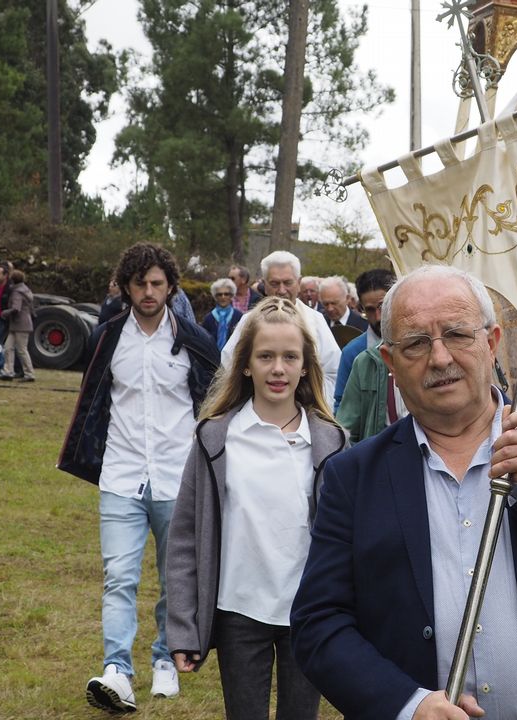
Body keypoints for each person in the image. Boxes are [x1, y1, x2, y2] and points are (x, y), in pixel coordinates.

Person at [291, 265, 517, 720]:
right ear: (390, 362)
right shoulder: (354, 477)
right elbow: (319, 624)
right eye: (416, 343)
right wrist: (407, 704)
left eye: (458, 334)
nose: (440, 358)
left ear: (492, 342)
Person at [58, 243, 220, 714]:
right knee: (118, 578)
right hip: (121, 476)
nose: (148, 292)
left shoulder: (194, 339)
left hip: (177, 477)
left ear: (170, 286)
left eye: (156, 283)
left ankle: (166, 658)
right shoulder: (107, 337)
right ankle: (117, 669)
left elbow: (215, 403)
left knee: (175, 579)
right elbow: (92, 402)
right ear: (126, 288)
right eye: (139, 283)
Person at [166, 296, 347, 720]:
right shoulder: (215, 438)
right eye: (265, 356)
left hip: (307, 612)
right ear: (245, 364)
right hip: (238, 610)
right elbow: (185, 536)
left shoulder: (330, 441)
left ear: (306, 366)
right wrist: (183, 627)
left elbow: (346, 539)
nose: (278, 368)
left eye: (290, 357)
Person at [222, 251, 340, 402]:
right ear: (264, 284)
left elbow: (332, 372)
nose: (282, 290)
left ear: (299, 282)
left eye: (288, 283)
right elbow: (229, 367)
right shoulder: (248, 321)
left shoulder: (316, 321)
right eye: (274, 284)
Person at [332, 268, 395, 412]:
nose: (378, 317)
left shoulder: (416, 344)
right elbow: (342, 407)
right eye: (370, 310)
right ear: (361, 308)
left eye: (383, 306)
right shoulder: (352, 353)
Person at [0, 269, 36, 382]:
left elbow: (16, 308)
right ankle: (8, 371)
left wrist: (5, 313)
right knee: (8, 347)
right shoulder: (26, 290)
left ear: (12, 280)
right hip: (20, 324)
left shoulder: (17, 292)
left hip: (20, 324)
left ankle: (29, 374)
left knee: (21, 349)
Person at [202, 278, 244, 351]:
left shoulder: (239, 316)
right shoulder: (209, 318)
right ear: (215, 297)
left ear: (231, 296)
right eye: (219, 294)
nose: (223, 297)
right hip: (213, 356)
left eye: (226, 294)